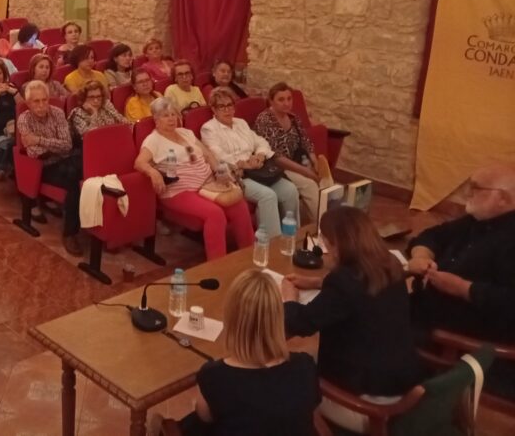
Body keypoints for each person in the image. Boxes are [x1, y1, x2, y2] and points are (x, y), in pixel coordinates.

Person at [283, 206, 421, 432]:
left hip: (366, 404)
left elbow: (299, 323)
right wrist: (317, 282)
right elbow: (361, 288)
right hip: (400, 383)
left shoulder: (343, 283)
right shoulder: (390, 264)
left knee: (280, 372)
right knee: (303, 358)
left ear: (337, 246)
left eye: (325, 242)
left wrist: (288, 298)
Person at [159, 270, 319, 436]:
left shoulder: (215, 377)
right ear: (279, 318)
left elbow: (204, 417)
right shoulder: (305, 366)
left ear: (231, 318)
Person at [407, 164, 515, 347]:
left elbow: (509, 302)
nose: (467, 193)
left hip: (466, 333)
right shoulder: (477, 219)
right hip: (430, 308)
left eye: (475, 188)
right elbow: (433, 235)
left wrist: (463, 288)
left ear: (503, 199)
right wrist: (421, 256)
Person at [134, 97, 254, 261]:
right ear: (156, 120)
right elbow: (139, 163)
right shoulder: (154, 140)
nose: (171, 119)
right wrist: (153, 172)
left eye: (173, 114)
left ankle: (249, 255)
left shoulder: (186, 133)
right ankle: (217, 265)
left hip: (207, 184)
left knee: (239, 205)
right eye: (166, 115)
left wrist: (220, 174)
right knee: (215, 214)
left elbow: (208, 155)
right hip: (180, 190)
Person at [201, 87, 299, 238]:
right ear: (214, 109)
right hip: (237, 175)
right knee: (267, 195)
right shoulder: (208, 129)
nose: (227, 110)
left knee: (290, 190)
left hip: (257, 170)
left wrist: (259, 156)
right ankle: (271, 244)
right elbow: (218, 155)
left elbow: (260, 142)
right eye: (221, 106)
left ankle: (292, 237)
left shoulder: (241, 123)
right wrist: (245, 164)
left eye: (230, 105)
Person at [18, 80, 84, 255]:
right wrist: (55, 145)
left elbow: (67, 145)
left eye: (44, 100)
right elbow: (35, 153)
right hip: (43, 167)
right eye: (36, 101)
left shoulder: (57, 112)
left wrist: (39, 140)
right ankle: (70, 233)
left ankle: (90, 224)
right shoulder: (24, 119)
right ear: (28, 103)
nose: (41, 105)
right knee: (74, 179)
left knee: (86, 168)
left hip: (67, 159)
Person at [254, 83, 324, 225]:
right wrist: (305, 171)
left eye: (289, 98)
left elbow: (306, 141)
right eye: (281, 99)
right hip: (275, 167)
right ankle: (321, 227)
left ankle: (328, 221)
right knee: (309, 184)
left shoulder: (293, 117)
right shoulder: (265, 120)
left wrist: (314, 160)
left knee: (324, 181)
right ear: (271, 101)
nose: (286, 103)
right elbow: (275, 157)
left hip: (296, 161)